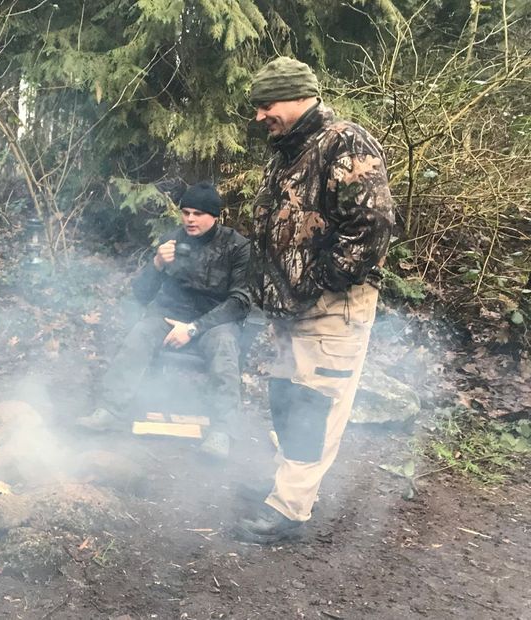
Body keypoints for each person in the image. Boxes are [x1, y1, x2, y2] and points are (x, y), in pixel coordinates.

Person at [237, 57, 394, 544]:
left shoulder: (342, 141)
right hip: (294, 308)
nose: (261, 115)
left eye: (268, 105)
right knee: (287, 400)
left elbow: (372, 227)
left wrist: (317, 280)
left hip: (332, 306)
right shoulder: (287, 150)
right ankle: (287, 488)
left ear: (299, 96)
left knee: (312, 405)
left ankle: (290, 512)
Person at [77, 182, 251, 459]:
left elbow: (240, 301)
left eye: (197, 213)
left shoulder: (236, 247)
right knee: (141, 332)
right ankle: (109, 409)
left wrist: (194, 329)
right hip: (170, 315)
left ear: (215, 216)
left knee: (225, 346)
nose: (190, 219)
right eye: (185, 212)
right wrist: (157, 263)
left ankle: (222, 430)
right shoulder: (172, 240)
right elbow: (141, 294)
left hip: (213, 322)